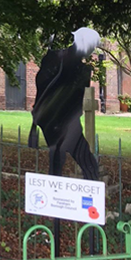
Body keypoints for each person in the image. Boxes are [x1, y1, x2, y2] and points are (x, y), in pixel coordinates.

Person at [28, 27, 101, 180]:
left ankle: (84, 196)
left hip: (68, 120)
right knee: (62, 157)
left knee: (83, 161)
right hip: (53, 119)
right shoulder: (55, 59)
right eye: (91, 46)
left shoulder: (82, 69)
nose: (92, 51)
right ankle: (57, 196)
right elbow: (42, 84)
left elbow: (78, 97)